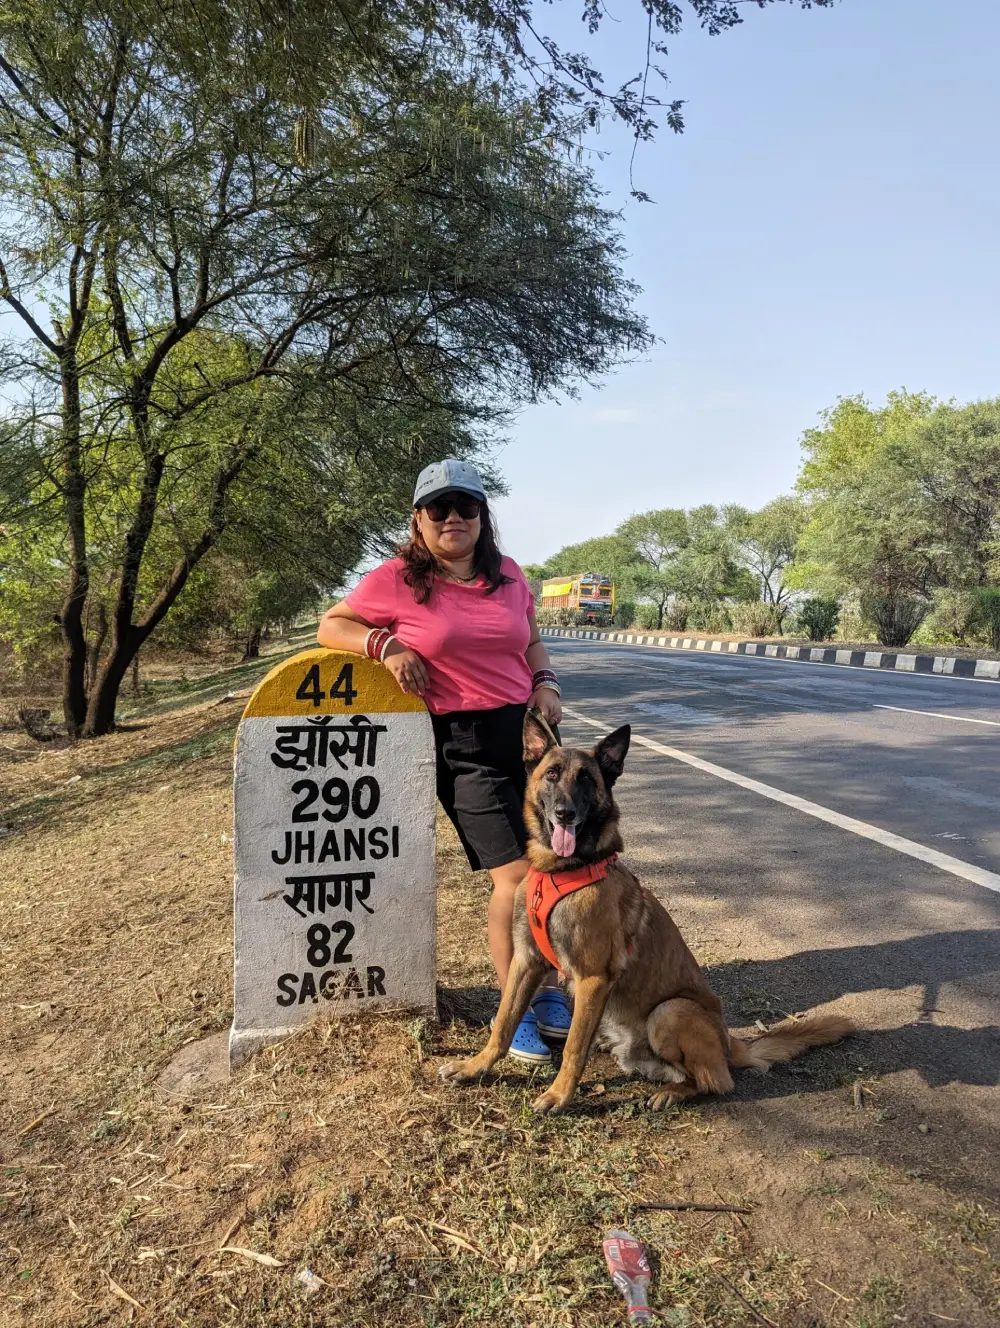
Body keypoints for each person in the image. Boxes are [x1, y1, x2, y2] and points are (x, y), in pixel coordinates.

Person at [317, 458, 568, 1063]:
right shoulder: (399, 578)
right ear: (419, 520)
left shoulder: (508, 574)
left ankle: (550, 985)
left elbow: (529, 635)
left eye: (467, 507)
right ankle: (513, 1009)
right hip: (461, 745)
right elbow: (332, 625)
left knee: (559, 865)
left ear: (483, 516)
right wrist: (385, 643)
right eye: (439, 508)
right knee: (515, 875)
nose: (453, 517)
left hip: (530, 740)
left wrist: (546, 679)